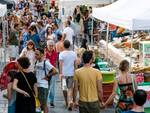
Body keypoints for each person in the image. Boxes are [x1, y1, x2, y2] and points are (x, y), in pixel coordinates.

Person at [35, 47, 57, 113]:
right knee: (40, 104)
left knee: (43, 105)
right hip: (37, 85)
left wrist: (47, 75)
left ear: (42, 54)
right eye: (35, 54)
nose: (35, 56)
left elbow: (55, 71)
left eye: (37, 54)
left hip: (43, 86)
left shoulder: (46, 63)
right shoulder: (37, 62)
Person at [59, 40, 77, 110]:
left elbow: (60, 64)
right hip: (71, 74)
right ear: (69, 45)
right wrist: (76, 72)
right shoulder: (73, 53)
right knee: (70, 88)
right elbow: (75, 65)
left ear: (63, 46)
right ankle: (70, 101)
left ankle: (66, 102)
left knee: (64, 88)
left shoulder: (61, 54)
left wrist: (60, 73)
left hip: (64, 74)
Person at [45, 40, 57, 107]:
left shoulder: (55, 53)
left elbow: (55, 62)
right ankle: (45, 101)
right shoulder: (44, 53)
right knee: (46, 87)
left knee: (52, 88)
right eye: (50, 45)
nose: (51, 47)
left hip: (53, 72)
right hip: (46, 72)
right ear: (47, 46)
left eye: (52, 46)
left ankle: (51, 101)